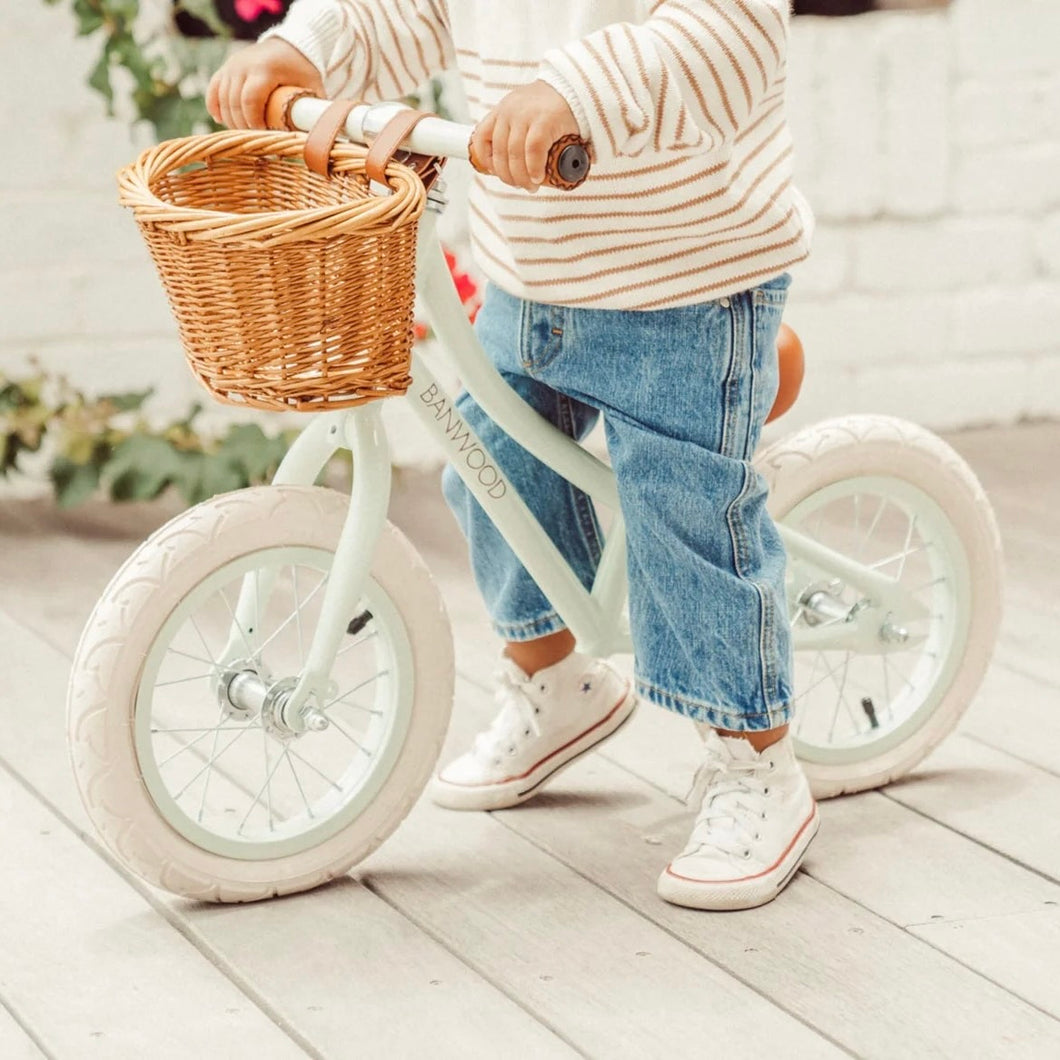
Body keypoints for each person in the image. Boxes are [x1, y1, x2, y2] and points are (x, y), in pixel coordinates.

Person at [207, 0, 818, 911]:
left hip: (682, 284)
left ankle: (756, 763)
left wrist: (575, 87)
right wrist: (306, 46)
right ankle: (556, 681)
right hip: (527, 276)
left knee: (684, 514)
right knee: (492, 471)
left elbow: (728, 32)